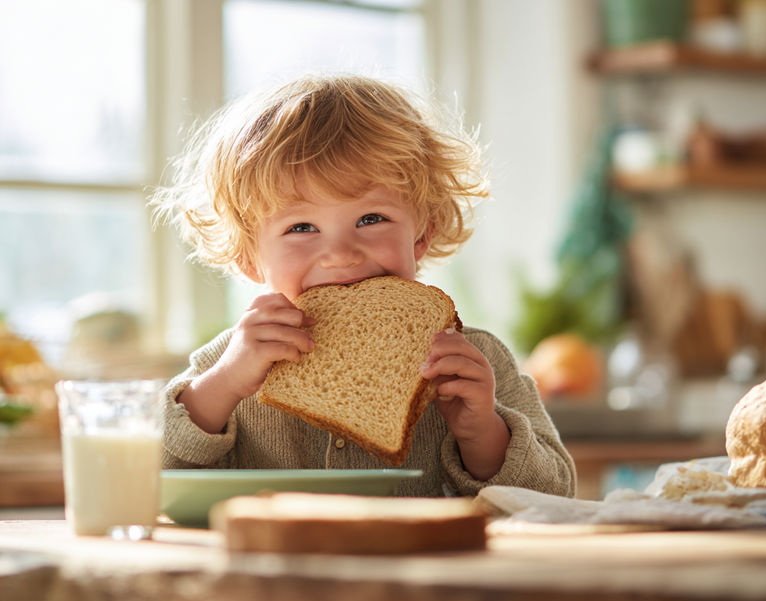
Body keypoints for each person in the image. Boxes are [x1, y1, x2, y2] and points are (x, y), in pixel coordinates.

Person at [152, 74, 575, 498]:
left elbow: (554, 497)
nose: (341, 253)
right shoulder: (228, 362)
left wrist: (483, 431)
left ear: (421, 235)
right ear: (249, 257)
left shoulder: (477, 363)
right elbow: (145, 477)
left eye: (370, 219)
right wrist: (222, 386)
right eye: (301, 227)